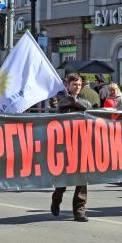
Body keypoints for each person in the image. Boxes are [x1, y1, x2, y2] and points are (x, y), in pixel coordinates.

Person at [51, 74, 92, 222]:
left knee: (82, 180)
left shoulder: (85, 102)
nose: (77, 87)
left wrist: (79, 104)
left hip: (82, 145)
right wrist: (76, 104)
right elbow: (64, 106)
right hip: (65, 146)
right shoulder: (63, 102)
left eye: (79, 85)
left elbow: (90, 111)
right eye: (74, 84)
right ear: (67, 85)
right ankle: (56, 199)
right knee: (63, 180)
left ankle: (79, 211)